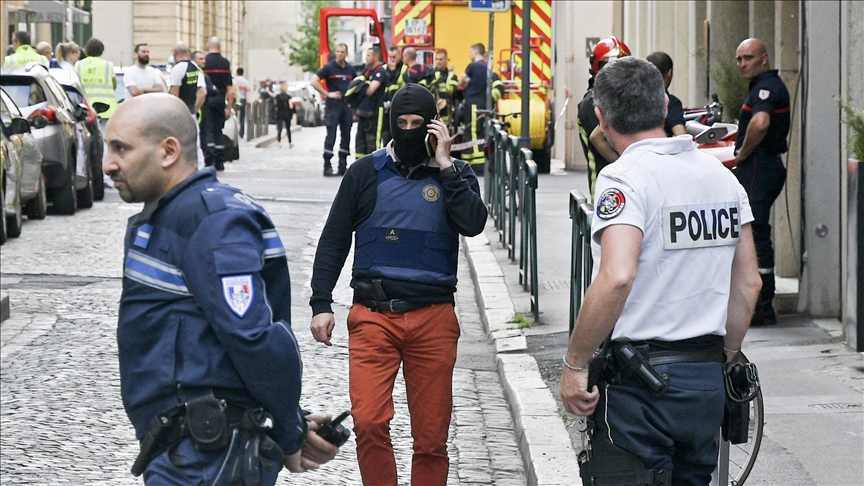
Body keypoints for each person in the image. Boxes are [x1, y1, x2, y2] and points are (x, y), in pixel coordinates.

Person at [103, 93, 340, 484]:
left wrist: (288, 431)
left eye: (120, 149)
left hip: (208, 457)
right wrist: (289, 423)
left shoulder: (212, 222)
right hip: (188, 449)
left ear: (168, 151)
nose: (107, 164)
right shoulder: (174, 214)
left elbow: (256, 339)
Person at [559, 57, 761, 486]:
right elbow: (748, 282)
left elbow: (616, 276)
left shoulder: (624, 178)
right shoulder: (722, 178)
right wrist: (725, 357)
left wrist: (576, 363)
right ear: (666, 103)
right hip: (704, 380)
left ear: (601, 116)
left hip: (641, 389)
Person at [309, 84, 487, 485]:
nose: (409, 131)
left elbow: (473, 224)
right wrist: (322, 302)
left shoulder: (455, 175)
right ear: (391, 124)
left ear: (434, 126)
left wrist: (445, 165)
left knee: (431, 438)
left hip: (434, 320)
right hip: (373, 316)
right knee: (369, 421)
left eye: (418, 124)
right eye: (401, 124)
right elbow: (334, 238)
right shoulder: (364, 173)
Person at [733, 38, 790, 326]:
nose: (744, 64)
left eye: (749, 58)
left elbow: (760, 123)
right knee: (754, 231)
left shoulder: (767, 88)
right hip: (763, 164)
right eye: (740, 59)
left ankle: (763, 306)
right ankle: (760, 302)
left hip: (760, 164)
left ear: (764, 59)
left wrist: (743, 152)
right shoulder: (761, 86)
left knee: (755, 233)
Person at [588, 50, 686, 163]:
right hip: (659, 164)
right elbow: (681, 136)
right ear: (670, 73)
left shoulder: (629, 97)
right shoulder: (671, 103)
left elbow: (596, 137)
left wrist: (621, 162)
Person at [577, 36, 630, 200]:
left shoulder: (617, 100)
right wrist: (629, 168)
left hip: (622, 188)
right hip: (605, 193)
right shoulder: (592, 103)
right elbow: (600, 140)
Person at [311, 43, 356, 177]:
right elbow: (314, 81)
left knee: (346, 135)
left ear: (346, 53)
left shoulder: (350, 69)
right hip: (333, 106)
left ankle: (343, 165)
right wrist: (327, 93)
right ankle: (327, 166)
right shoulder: (329, 68)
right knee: (331, 136)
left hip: (346, 106)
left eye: (342, 52)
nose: (339, 54)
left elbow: (357, 83)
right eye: (337, 51)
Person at [168, 41, 206, 169]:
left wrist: (173, 113)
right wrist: (194, 109)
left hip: (180, 114)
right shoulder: (195, 67)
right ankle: (199, 169)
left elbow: (175, 92)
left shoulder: (178, 68)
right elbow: (202, 92)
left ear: (175, 53)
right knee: (196, 144)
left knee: (179, 144)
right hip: (191, 112)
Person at [201, 37, 234, 171]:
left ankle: (209, 157)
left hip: (206, 100)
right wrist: (229, 107)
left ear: (208, 46)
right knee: (218, 129)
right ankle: (220, 160)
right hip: (220, 99)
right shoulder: (225, 63)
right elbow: (230, 89)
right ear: (219, 47)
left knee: (207, 129)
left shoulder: (204, 62)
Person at [457, 43, 489, 169]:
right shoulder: (485, 67)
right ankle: (475, 158)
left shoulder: (473, 66)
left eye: (470, 52)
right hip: (481, 100)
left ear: (476, 52)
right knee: (478, 129)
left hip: (472, 101)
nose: (469, 54)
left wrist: (462, 86)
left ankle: (476, 161)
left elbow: (461, 80)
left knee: (472, 130)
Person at [351, 45, 386, 159]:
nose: (366, 58)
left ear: (376, 57)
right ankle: (360, 166)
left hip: (375, 111)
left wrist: (361, 87)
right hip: (363, 111)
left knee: (373, 140)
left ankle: (374, 168)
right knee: (360, 140)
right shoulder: (366, 70)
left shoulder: (380, 71)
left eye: (368, 55)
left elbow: (370, 90)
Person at [381, 46, 406, 146]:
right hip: (385, 108)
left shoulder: (404, 69)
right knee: (386, 135)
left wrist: (393, 71)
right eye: (390, 57)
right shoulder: (383, 69)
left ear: (399, 56)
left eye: (394, 57)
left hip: (399, 107)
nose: (391, 59)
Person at [429, 49, 459, 127]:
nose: (438, 62)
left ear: (446, 60)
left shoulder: (451, 76)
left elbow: (452, 90)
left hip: (446, 113)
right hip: (431, 110)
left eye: (441, 59)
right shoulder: (430, 75)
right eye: (436, 59)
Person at [273, 83, 295, 148]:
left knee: (279, 129)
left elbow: (275, 105)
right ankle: (290, 143)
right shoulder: (288, 97)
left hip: (279, 114)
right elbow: (291, 106)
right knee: (288, 129)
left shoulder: (277, 97)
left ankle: (279, 142)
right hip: (287, 114)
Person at [234, 67, 251, 138]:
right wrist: (248, 103)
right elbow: (247, 93)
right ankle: (241, 133)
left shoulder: (234, 80)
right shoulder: (246, 82)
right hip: (243, 100)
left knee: (234, 117)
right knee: (242, 117)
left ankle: (234, 132)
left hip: (235, 99)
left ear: (237, 72)